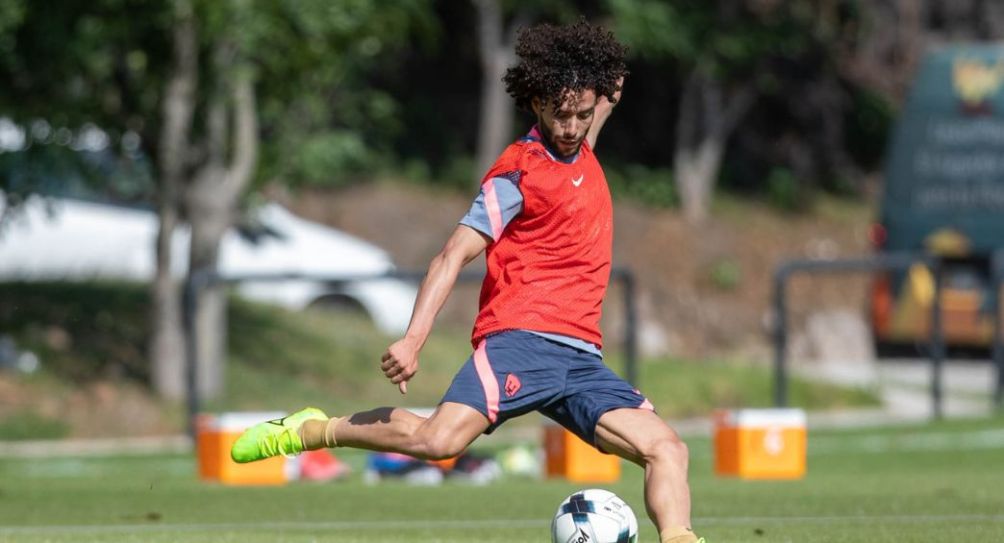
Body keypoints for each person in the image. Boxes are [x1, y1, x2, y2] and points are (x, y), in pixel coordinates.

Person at [231, 19, 703, 543]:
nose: (572, 127)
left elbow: (612, 79)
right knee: (439, 443)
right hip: (521, 340)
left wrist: (597, 59)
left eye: (583, 115)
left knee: (668, 448)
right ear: (537, 104)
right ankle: (311, 430)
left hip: (581, 357)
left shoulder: (585, 137)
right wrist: (413, 340)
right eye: (561, 114)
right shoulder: (515, 175)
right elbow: (451, 256)